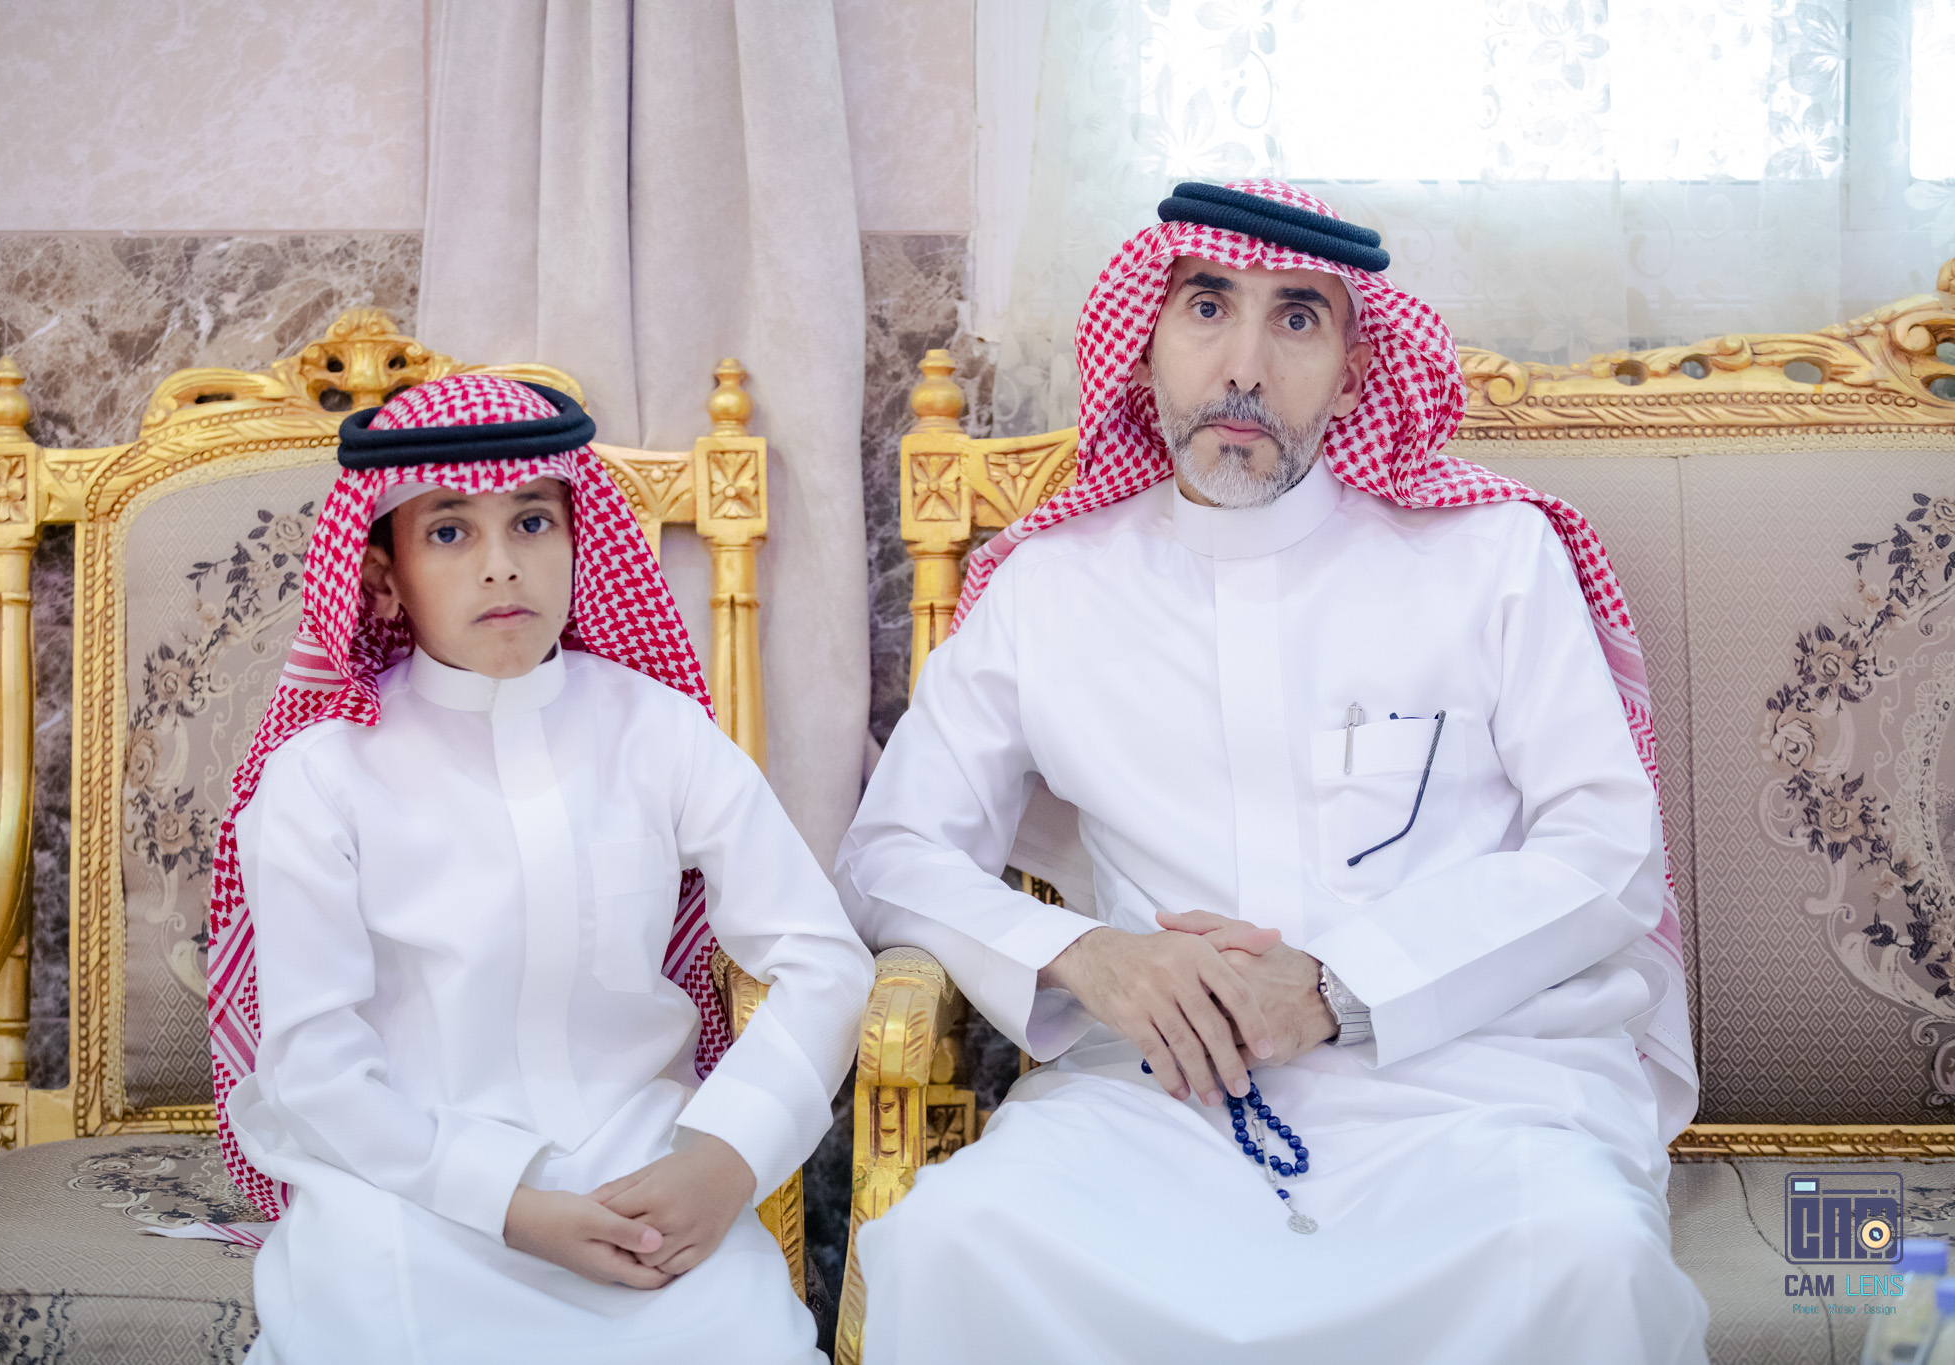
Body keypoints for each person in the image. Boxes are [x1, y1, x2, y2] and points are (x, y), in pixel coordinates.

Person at [836, 181, 1709, 1363]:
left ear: (1353, 373)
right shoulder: (1050, 588)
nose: (1243, 366)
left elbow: (1604, 854)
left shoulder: (1490, 557)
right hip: (1162, 1096)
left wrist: (1340, 988)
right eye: (1207, 308)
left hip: (1470, 1083)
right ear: (1145, 345)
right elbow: (890, 853)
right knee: (956, 1241)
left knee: (1583, 1255)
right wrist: (1086, 955)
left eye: (1295, 319)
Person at [205, 373, 874, 1363]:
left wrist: (726, 1157)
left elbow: (825, 961)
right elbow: (315, 1069)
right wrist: (509, 1205)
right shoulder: (321, 776)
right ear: (382, 578)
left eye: (531, 522)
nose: (500, 566)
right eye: (448, 532)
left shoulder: (658, 733)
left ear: (576, 540)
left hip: (650, 1192)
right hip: (411, 1197)